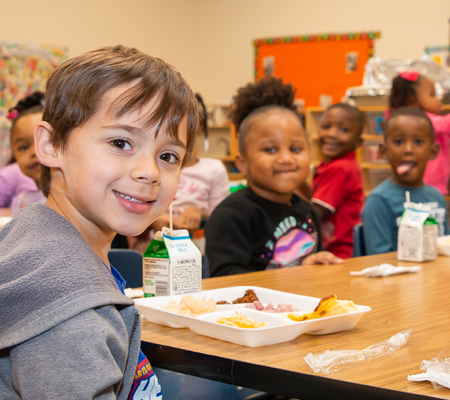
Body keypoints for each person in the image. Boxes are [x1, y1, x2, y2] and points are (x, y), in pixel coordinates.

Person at [0, 45, 199, 399]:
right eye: (121, 143)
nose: (149, 172)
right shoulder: (69, 311)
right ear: (50, 145)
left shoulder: (36, 236)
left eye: (168, 156)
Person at [205, 77, 342, 277]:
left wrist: (316, 263)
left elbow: (306, 271)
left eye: (295, 148)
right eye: (270, 149)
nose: (286, 158)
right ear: (242, 162)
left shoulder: (307, 211)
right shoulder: (231, 216)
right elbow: (226, 279)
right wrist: (291, 277)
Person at [362, 107, 449, 255]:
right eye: (399, 141)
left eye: (418, 141)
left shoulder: (436, 197)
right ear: (383, 151)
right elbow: (378, 259)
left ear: (433, 151)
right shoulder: (378, 201)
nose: (408, 149)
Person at [311, 103, 364, 259]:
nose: (332, 134)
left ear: (358, 142)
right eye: (326, 126)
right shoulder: (331, 165)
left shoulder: (340, 168)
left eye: (343, 130)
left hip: (339, 253)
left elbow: (316, 213)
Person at [389, 70, 450, 195]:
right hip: (427, 183)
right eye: (432, 95)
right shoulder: (421, 121)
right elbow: (446, 124)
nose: (439, 100)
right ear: (413, 102)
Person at [0, 93, 45, 209]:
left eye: (44, 142)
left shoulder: (73, 200)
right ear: (14, 154)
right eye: (24, 147)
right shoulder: (19, 202)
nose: (34, 152)